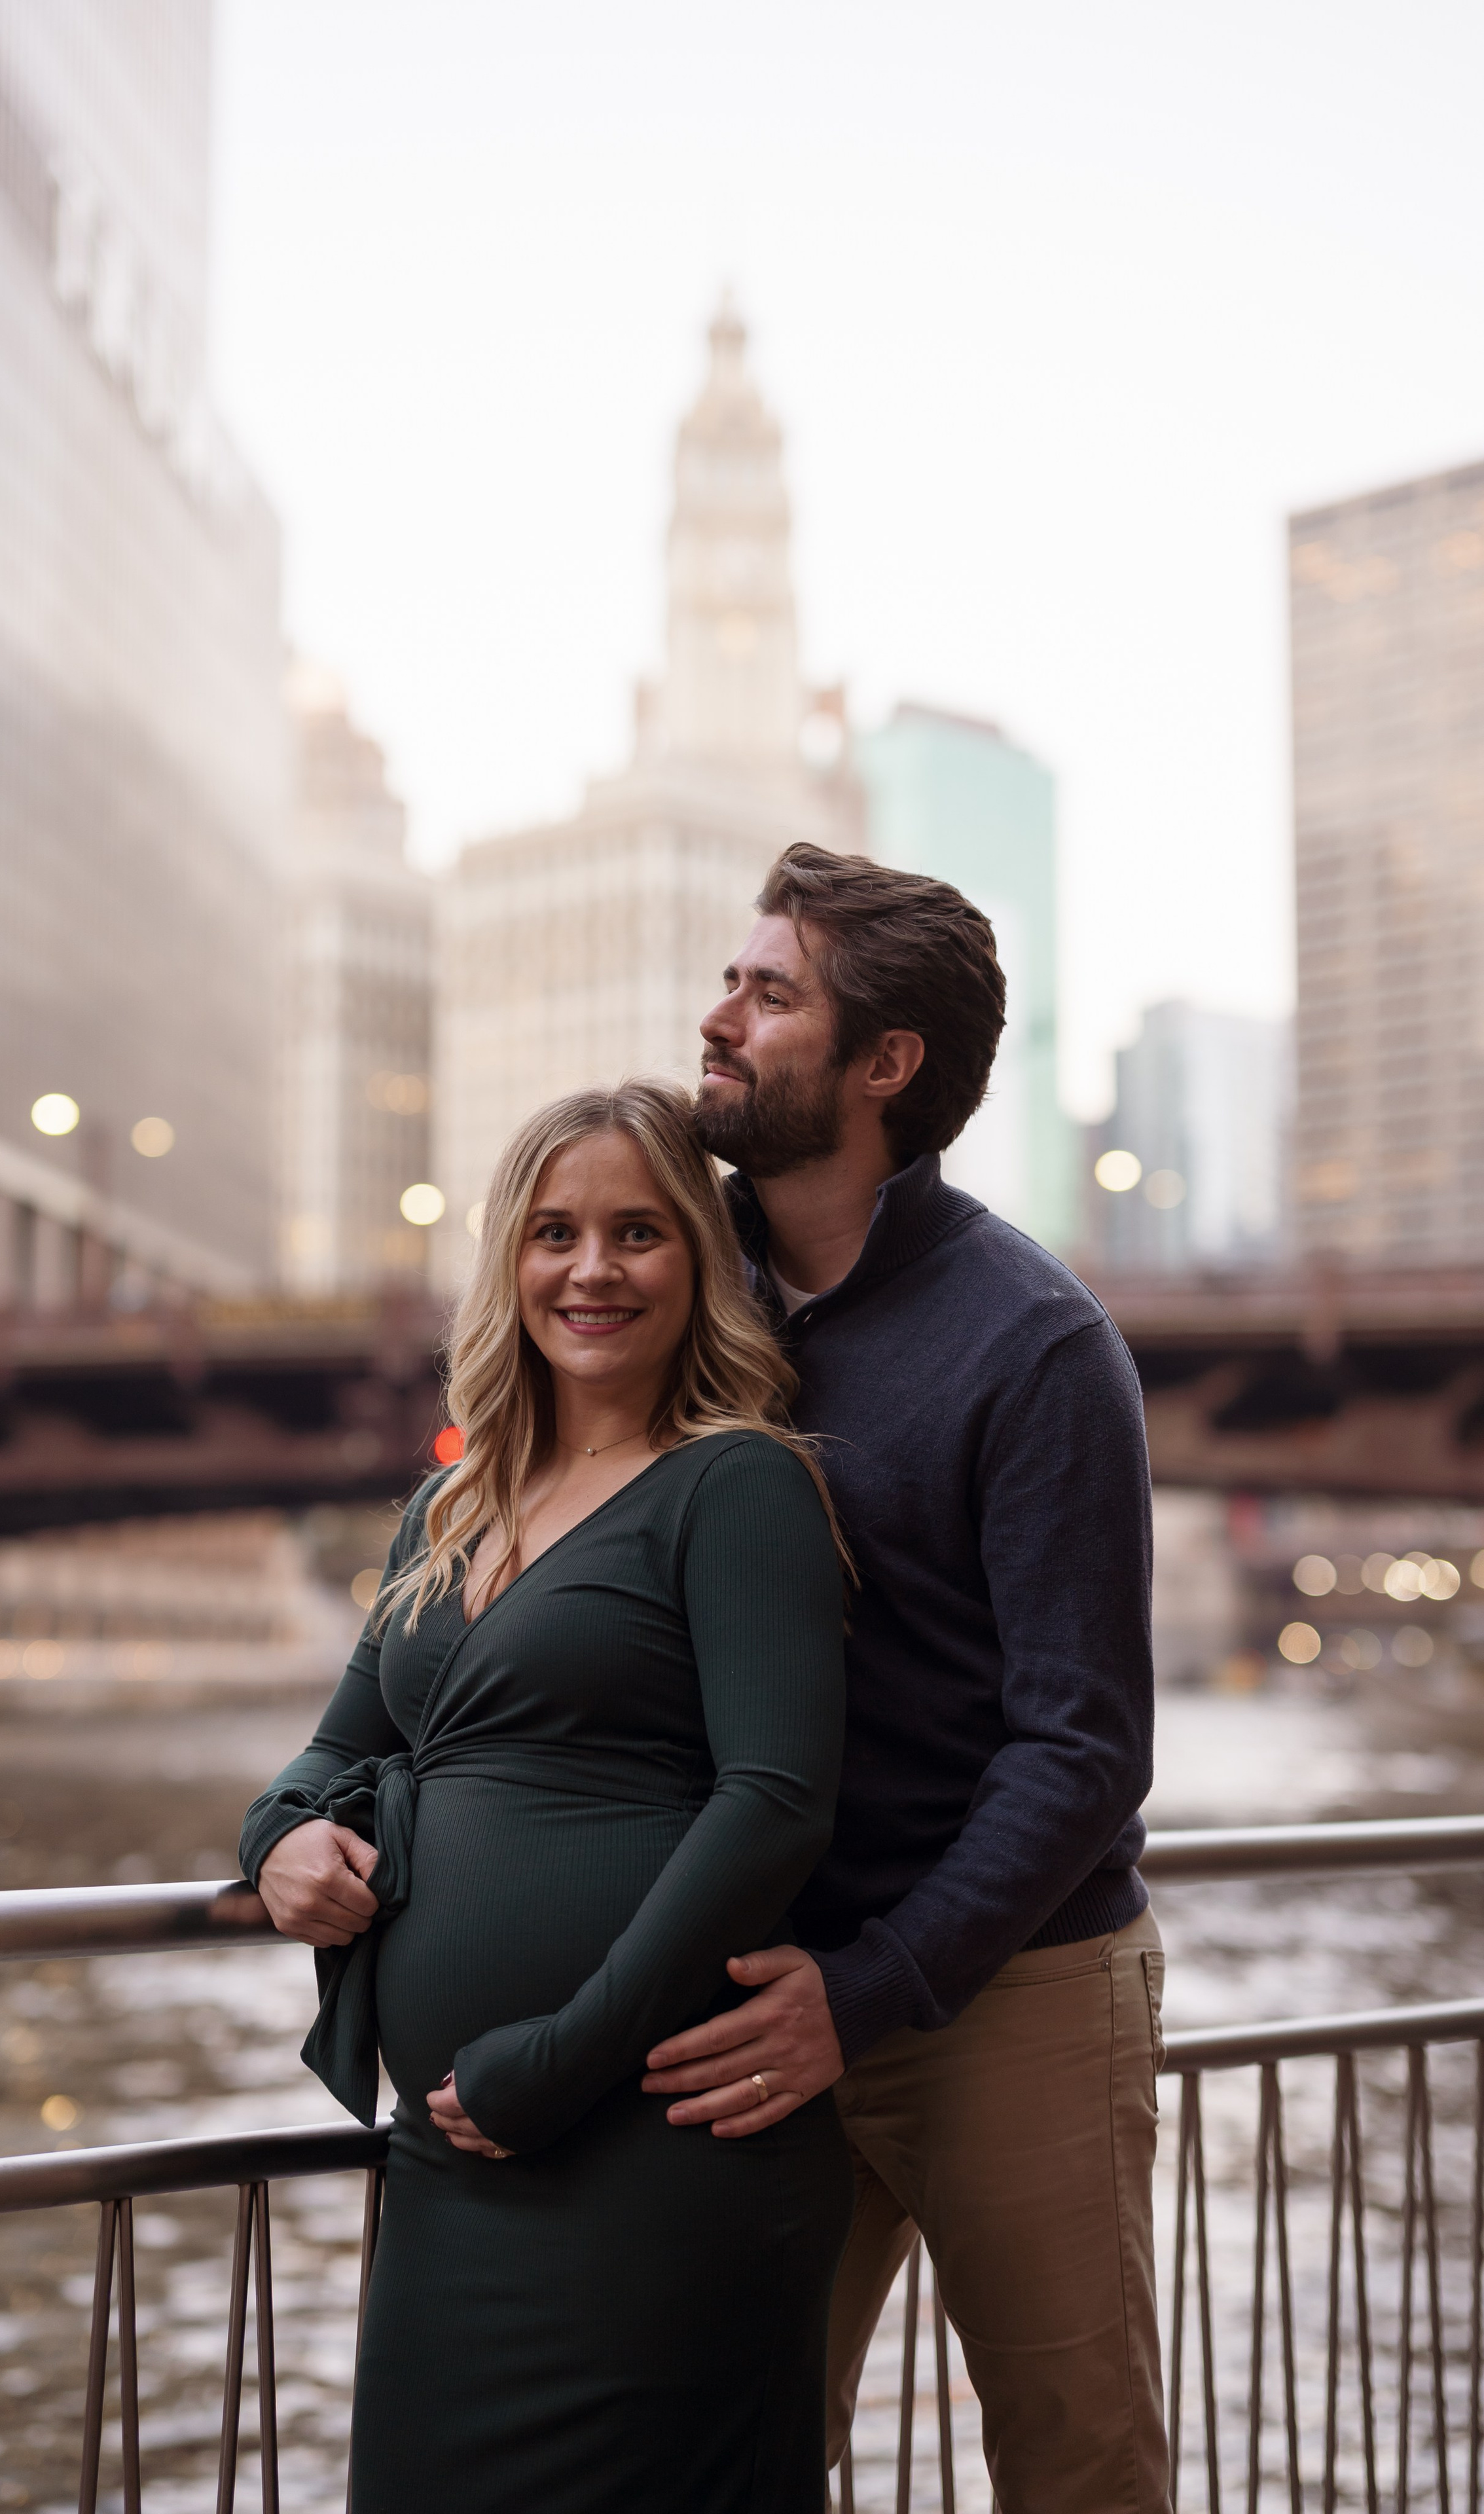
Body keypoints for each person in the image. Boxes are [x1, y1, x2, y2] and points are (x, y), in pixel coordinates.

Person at [639, 844, 1168, 2514]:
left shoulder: (1035, 1346)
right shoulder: (667, 1289)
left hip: (1003, 1993)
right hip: (742, 1996)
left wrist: (863, 1992)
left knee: (1071, 2463)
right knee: (715, 2456)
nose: (716, 1018)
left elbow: (1082, 1748)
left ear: (884, 1067)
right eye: (732, 979)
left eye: (767, 992)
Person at [240, 1079, 854, 2514]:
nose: (590, 1270)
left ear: (698, 1257)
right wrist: (280, 1844)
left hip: (650, 2141)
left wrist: (565, 2056)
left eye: (636, 1232)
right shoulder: (448, 1509)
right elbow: (331, 1752)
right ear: (507, 1259)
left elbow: (773, 1802)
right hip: (458, 2159)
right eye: (554, 1231)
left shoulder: (734, 1485)